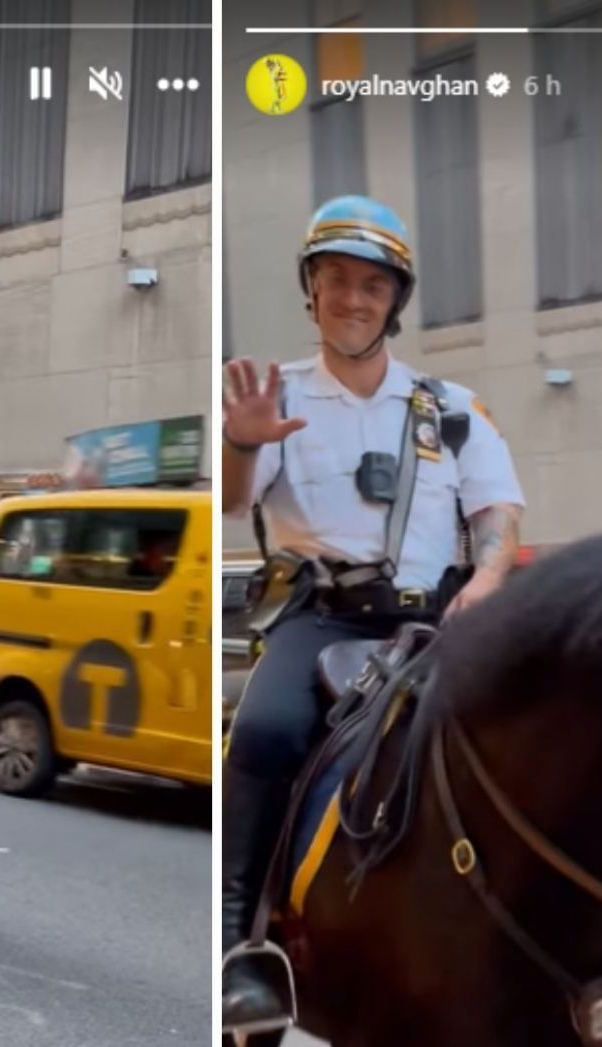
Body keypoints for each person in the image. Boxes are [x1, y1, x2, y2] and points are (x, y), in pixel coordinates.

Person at [218, 195, 527, 1034]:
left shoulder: (454, 408)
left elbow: (496, 517)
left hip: (438, 625)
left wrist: (492, 575)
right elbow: (236, 499)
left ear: (397, 298)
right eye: (336, 281)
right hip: (324, 620)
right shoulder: (278, 396)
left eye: (372, 285)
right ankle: (239, 947)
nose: (355, 299)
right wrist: (242, 442)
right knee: (265, 731)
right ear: (310, 291)